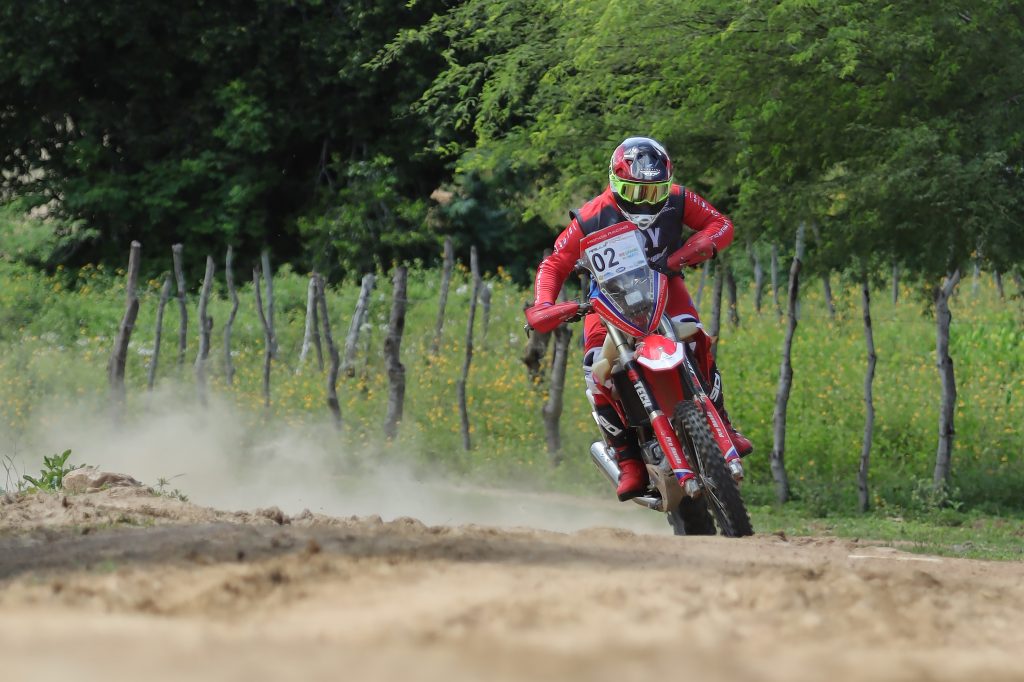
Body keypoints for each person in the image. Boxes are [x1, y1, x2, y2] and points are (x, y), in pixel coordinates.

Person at [527, 136, 752, 501]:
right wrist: (543, 304)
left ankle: (723, 425)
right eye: (635, 191)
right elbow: (554, 263)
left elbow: (719, 223)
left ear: (667, 184)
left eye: (654, 192)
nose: (645, 200)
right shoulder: (591, 216)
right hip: (608, 299)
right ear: (616, 183)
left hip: (665, 284)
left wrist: (695, 248)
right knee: (595, 369)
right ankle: (628, 459)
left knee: (697, 337)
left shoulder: (678, 199)